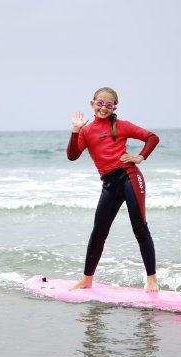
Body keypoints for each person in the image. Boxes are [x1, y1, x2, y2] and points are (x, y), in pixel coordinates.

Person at [67, 87, 160, 292]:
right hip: (108, 185)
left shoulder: (121, 125)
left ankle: (152, 279)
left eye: (109, 105)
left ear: (114, 107)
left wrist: (139, 157)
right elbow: (72, 156)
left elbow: (152, 137)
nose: (104, 108)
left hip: (129, 177)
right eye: (100, 103)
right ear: (92, 104)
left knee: (139, 227)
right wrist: (75, 131)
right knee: (98, 232)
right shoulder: (86, 131)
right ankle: (87, 279)